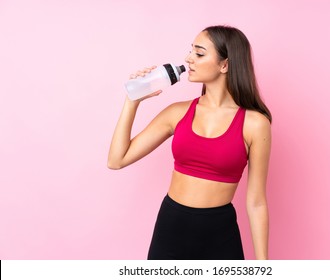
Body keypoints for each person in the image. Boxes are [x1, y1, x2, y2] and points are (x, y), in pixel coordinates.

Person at [107, 25, 272, 260]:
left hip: (220, 235)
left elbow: (256, 202)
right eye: (191, 51)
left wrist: (264, 267)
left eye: (200, 53)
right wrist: (132, 100)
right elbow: (116, 160)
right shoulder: (177, 113)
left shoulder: (255, 124)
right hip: (171, 229)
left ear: (225, 65)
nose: (188, 59)